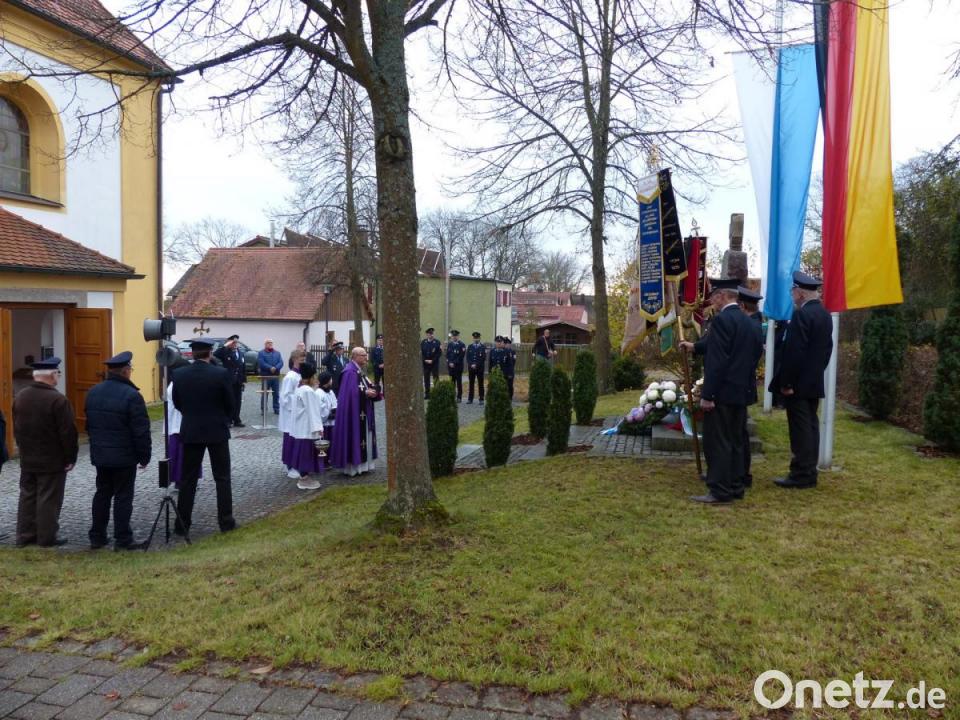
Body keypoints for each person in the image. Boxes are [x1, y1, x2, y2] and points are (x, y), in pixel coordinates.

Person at [680, 279, 762, 503]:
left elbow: (717, 360)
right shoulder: (748, 321)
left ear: (723, 296)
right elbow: (749, 353)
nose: (711, 301)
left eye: (714, 297)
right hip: (740, 391)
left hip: (722, 393)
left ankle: (719, 490)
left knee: (718, 442)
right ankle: (735, 485)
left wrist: (708, 395)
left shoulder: (722, 320)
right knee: (736, 440)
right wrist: (695, 346)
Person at [768, 271, 833, 489]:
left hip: (797, 384)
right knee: (811, 426)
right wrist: (816, 372)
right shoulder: (824, 314)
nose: (791, 295)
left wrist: (787, 383)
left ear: (800, 293)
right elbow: (827, 350)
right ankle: (809, 470)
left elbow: (794, 352)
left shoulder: (801, 315)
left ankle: (801, 473)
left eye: (792, 291)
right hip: (813, 381)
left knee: (800, 429)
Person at [85, 351, 152, 550]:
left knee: (102, 493)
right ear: (125, 371)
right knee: (123, 496)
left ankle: (97, 536)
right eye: (130, 369)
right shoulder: (132, 396)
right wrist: (144, 456)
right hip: (124, 456)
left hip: (101, 454)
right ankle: (123, 538)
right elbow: (140, 430)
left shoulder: (93, 392)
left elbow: (89, 425)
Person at [172, 338, 237, 534]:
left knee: (187, 479)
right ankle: (226, 521)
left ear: (192, 354)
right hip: (217, 429)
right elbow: (230, 403)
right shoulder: (221, 373)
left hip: (191, 429)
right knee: (222, 478)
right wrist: (223, 418)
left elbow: (177, 402)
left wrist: (191, 416)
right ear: (210, 353)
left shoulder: (179, 374)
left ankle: (182, 524)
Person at [13, 357, 78, 547]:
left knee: (27, 496)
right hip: (52, 459)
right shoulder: (58, 400)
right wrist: (70, 457)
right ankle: (46, 537)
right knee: (48, 498)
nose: (58, 377)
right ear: (52, 375)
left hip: (27, 456)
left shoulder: (21, 396)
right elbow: (68, 433)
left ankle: (25, 535)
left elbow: (17, 427)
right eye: (58, 373)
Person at [330, 347, 380, 476]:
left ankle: (363, 465)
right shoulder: (349, 372)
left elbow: (364, 386)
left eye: (365, 355)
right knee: (355, 435)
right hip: (354, 413)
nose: (366, 357)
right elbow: (350, 394)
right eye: (363, 355)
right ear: (355, 356)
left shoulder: (358, 370)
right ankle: (354, 467)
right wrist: (365, 393)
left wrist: (374, 390)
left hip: (363, 410)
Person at [737, 286, 766, 489]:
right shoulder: (755, 323)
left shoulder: (751, 326)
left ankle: (741, 474)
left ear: (742, 306)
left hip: (741, 385)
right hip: (744, 384)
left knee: (739, 433)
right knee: (740, 431)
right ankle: (741, 473)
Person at [288, 363, 327, 490]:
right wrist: (319, 428)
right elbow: (313, 410)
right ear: (311, 377)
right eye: (314, 376)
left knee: (302, 453)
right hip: (306, 428)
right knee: (306, 454)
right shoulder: (308, 391)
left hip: (300, 427)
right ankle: (304, 479)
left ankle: (304, 477)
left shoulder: (299, 388)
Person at [166, 357, 197, 490]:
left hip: (180, 424)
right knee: (181, 454)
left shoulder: (176, 384)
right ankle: (181, 480)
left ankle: (184, 479)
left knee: (182, 454)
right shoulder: (176, 385)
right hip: (179, 424)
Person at [279, 349, 306, 476]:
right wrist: (297, 406)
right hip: (291, 414)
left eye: (304, 359)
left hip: (298, 413)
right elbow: (285, 397)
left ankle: (297, 464)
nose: (303, 361)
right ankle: (291, 466)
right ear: (294, 360)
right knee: (291, 440)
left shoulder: (300, 375)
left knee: (297, 440)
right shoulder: (290, 377)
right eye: (301, 359)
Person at [214, 335, 247, 427]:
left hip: (238, 381)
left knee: (238, 401)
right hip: (229, 380)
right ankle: (228, 420)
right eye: (233, 342)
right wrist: (225, 346)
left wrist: (243, 380)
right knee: (229, 400)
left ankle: (237, 419)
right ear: (229, 343)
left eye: (236, 342)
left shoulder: (240, 353)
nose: (235, 344)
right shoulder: (225, 352)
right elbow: (216, 354)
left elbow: (243, 367)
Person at [257, 338, 283, 415]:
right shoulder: (261, 353)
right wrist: (270, 368)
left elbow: (281, 362)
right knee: (265, 393)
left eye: (271, 342)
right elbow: (261, 363)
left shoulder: (277, 353)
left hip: (275, 376)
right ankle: (264, 409)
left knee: (276, 394)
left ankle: (276, 409)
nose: (270, 344)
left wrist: (276, 368)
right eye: (268, 342)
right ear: (265, 344)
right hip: (266, 377)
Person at [446, 329, 466, 402]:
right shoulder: (450, 344)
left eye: (456, 336)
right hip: (451, 367)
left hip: (458, 367)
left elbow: (461, 356)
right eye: (453, 336)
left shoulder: (462, 345)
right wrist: (449, 362)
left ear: (458, 336)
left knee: (459, 382)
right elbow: (447, 355)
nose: (454, 337)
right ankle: (452, 395)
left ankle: (459, 397)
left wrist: (453, 363)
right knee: (452, 382)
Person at [466, 331, 487, 405]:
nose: (476, 339)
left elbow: (483, 358)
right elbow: (468, 357)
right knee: (471, 383)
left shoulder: (483, 347)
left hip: (479, 368)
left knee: (480, 383)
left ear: (480, 338)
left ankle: (481, 399)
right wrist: (471, 364)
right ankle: (470, 399)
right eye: (474, 338)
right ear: (473, 338)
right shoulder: (470, 346)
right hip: (471, 368)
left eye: (477, 338)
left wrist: (476, 365)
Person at [420, 328, 441, 399]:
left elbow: (439, 353)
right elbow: (421, 353)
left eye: (432, 334)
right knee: (426, 379)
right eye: (430, 334)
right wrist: (425, 360)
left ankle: (437, 394)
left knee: (436, 378)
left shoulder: (437, 342)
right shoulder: (423, 342)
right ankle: (427, 394)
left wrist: (432, 360)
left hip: (434, 363)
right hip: (426, 364)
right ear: (427, 334)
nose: (431, 335)